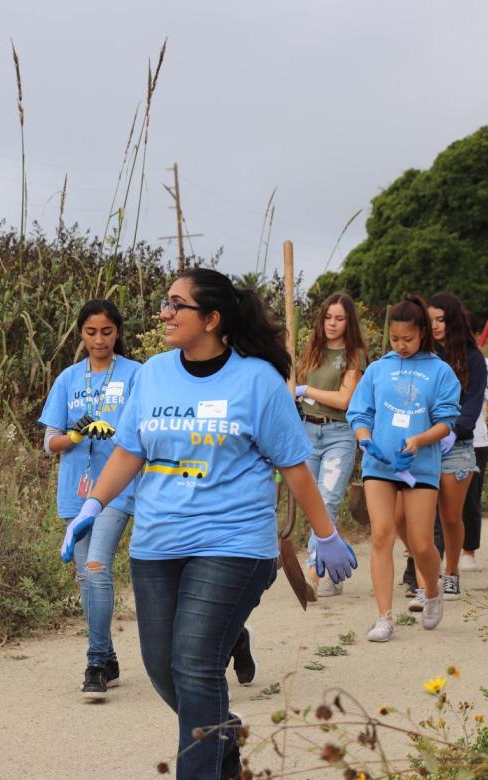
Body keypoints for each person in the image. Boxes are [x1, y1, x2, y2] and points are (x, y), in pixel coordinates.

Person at [61, 268, 358, 779]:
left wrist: (326, 533)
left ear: (213, 318)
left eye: (177, 304)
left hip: (234, 541)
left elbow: (293, 466)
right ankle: (221, 732)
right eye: (165, 302)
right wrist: (94, 506)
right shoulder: (153, 373)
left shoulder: (258, 380)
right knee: (162, 669)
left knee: (195, 663)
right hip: (158, 542)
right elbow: (130, 451)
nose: (165, 313)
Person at [39, 300, 141, 701]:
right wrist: (76, 435)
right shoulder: (67, 379)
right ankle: (110, 657)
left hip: (117, 490)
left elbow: (145, 432)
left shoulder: (137, 375)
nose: (99, 340)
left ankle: (96, 662)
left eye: (107, 332)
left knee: (97, 565)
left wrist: (116, 432)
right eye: (91, 332)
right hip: (74, 492)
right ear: (81, 333)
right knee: (86, 577)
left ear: (118, 332)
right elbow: (50, 442)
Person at [347, 295, 460, 642]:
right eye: (395, 339)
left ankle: (432, 589)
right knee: (381, 534)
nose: (401, 345)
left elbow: (447, 422)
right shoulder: (379, 369)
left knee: (422, 544)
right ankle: (384, 617)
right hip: (378, 465)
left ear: (423, 333)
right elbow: (359, 413)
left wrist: (419, 440)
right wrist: (364, 438)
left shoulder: (440, 371)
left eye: (408, 339)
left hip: (420, 467)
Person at [404, 292, 487, 604]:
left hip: (456, 446)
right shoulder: (419, 355)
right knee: (414, 517)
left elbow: (471, 410)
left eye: (441, 319)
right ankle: (426, 580)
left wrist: (449, 431)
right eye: (431, 319)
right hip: (418, 446)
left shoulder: (472, 359)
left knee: (451, 517)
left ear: (453, 320)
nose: (436, 325)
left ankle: (451, 574)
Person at [293, 292, 368, 596]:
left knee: (327, 501)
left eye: (339, 318)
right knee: (312, 504)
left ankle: (313, 572)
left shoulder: (354, 354)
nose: (332, 323)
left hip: (338, 433)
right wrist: (294, 391)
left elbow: (344, 399)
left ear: (348, 322)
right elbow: (294, 387)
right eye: (328, 317)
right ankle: (333, 571)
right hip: (307, 432)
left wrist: (305, 389)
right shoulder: (312, 349)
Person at [460, 311, 488, 571]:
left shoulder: (485, 364)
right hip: (437, 439)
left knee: (470, 499)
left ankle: (468, 549)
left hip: (474, 439)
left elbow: (477, 401)